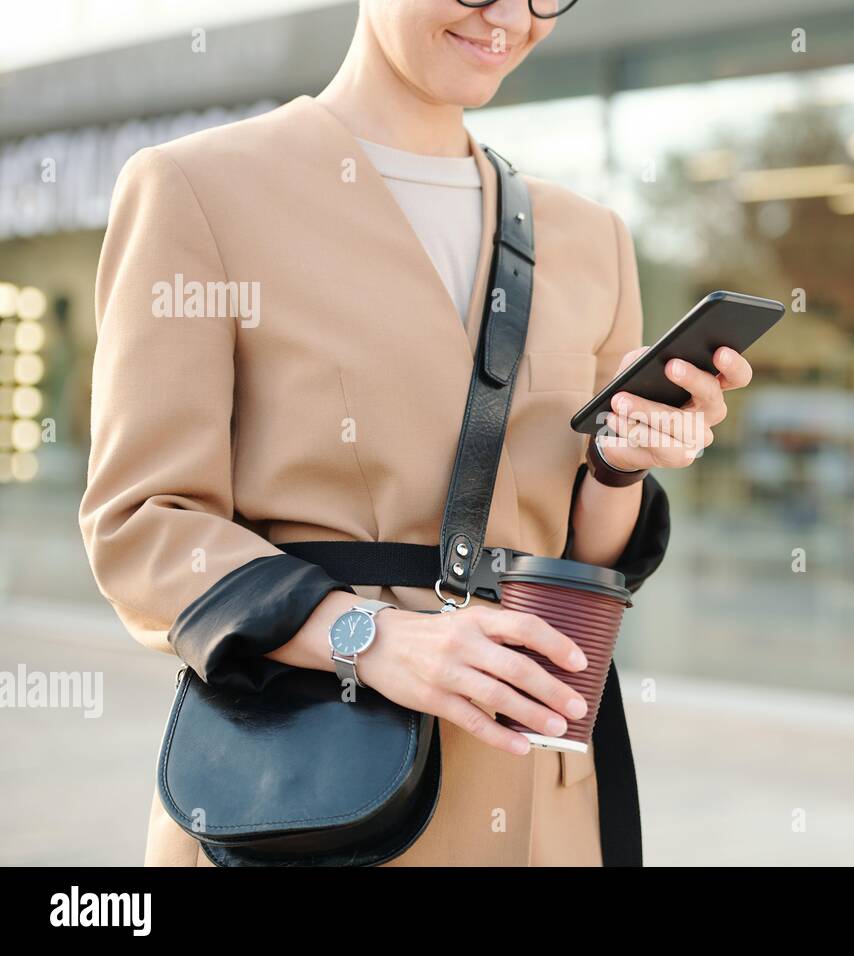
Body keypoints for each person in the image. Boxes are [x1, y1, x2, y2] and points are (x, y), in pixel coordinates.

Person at [79, 0, 754, 866]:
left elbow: (585, 560)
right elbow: (142, 523)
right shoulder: (200, 189)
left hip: (543, 797)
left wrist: (618, 467)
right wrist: (371, 638)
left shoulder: (590, 238)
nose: (513, 16)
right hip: (321, 790)